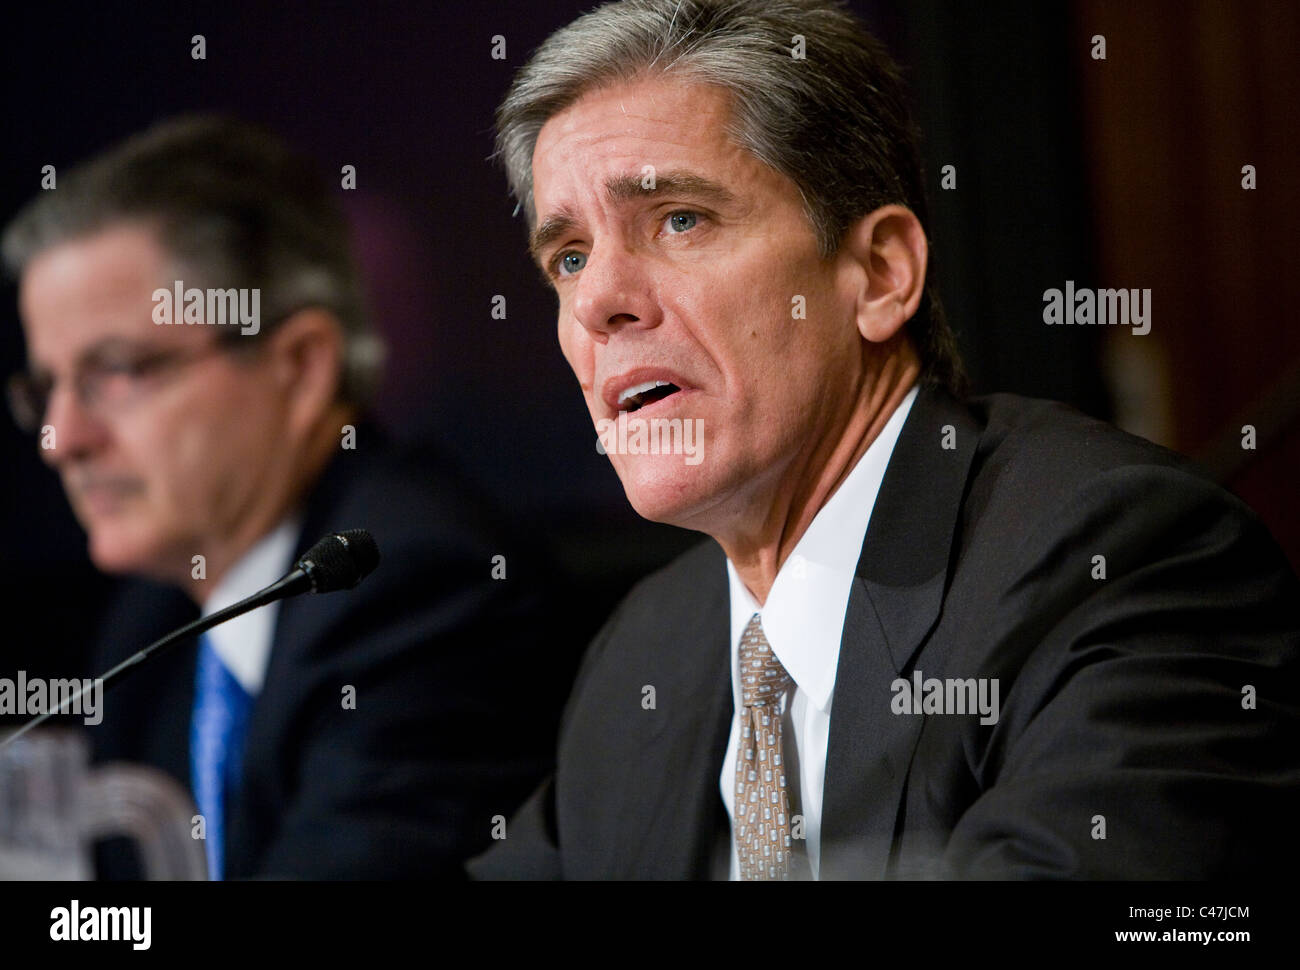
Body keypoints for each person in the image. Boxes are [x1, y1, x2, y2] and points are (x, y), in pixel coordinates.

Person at [469, 0, 1299, 879]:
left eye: (679, 218)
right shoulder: (649, 653)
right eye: (567, 257)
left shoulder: (1114, 560)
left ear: (879, 274)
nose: (600, 299)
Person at [3, 115, 564, 879]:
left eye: (118, 372)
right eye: (47, 389)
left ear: (299, 367)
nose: (62, 438)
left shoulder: (422, 590)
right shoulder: (154, 621)